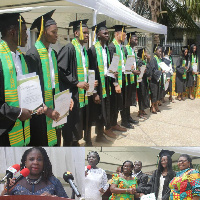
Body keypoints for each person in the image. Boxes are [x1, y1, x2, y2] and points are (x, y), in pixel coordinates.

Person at [26, 10, 73, 146]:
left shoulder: (53, 53)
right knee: (42, 141)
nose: (56, 35)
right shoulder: (32, 55)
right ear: (43, 32)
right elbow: (30, 89)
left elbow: (57, 81)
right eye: (53, 32)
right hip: (40, 108)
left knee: (56, 139)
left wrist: (66, 98)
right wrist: (45, 109)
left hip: (54, 101)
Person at [57, 19, 96, 146]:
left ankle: (75, 142)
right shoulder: (69, 48)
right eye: (84, 32)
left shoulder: (83, 50)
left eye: (87, 33)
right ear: (76, 33)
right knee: (71, 124)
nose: (86, 35)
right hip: (71, 93)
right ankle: (70, 144)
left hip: (81, 94)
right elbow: (61, 70)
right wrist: (76, 82)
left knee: (78, 122)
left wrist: (90, 82)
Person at [0, 12, 32, 146]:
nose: (27, 35)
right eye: (24, 31)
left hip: (22, 126)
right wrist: (17, 112)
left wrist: (37, 105)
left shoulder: (21, 58)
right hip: (3, 129)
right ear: (12, 32)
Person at [1, 147, 68, 198]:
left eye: (39, 159)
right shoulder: (14, 182)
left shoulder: (54, 182)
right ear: (25, 162)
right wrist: (6, 189)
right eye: (31, 159)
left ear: (44, 163)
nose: (35, 162)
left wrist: (54, 198)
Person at [87, 20, 114, 143]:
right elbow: (91, 71)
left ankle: (102, 133)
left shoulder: (106, 49)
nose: (107, 35)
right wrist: (94, 92)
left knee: (105, 109)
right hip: (97, 84)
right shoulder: (92, 50)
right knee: (98, 110)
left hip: (106, 82)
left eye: (108, 33)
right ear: (98, 35)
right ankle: (98, 135)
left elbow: (106, 67)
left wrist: (112, 72)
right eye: (105, 33)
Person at [108, 25, 128, 132]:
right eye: (123, 34)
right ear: (117, 34)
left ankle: (114, 123)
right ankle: (111, 125)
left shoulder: (120, 47)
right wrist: (116, 83)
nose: (125, 37)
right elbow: (113, 67)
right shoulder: (112, 47)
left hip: (122, 77)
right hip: (114, 80)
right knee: (113, 103)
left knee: (118, 103)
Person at [122, 32, 140, 128]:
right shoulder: (125, 49)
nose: (136, 41)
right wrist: (132, 71)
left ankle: (128, 117)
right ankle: (124, 121)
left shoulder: (133, 50)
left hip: (132, 78)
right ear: (129, 39)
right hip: (127, 78)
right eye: (135, 39)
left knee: (129, 100)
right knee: (125, 100)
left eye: (137, 39)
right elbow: (124, 65)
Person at [136, 48, 151, 119]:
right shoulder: (139, 61)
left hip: (144, 80)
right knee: (141, 96)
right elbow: (144, 71)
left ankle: (143, 110)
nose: (146, 53)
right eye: (145, 52)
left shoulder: (143, 61)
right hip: (140, 81)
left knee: (144, 95)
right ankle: (140, 112)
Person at [149, 45, 163, 113]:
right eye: (159, 51)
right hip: (153, 79)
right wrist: (160, 72)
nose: (160, 52)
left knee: (157, 93)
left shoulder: (159, 59)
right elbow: (153, 70)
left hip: (158, 78)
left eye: (161, 51)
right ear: (155, 51)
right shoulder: (153, 59)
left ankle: (156, 105)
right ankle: (152, 106)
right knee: (154, 93)